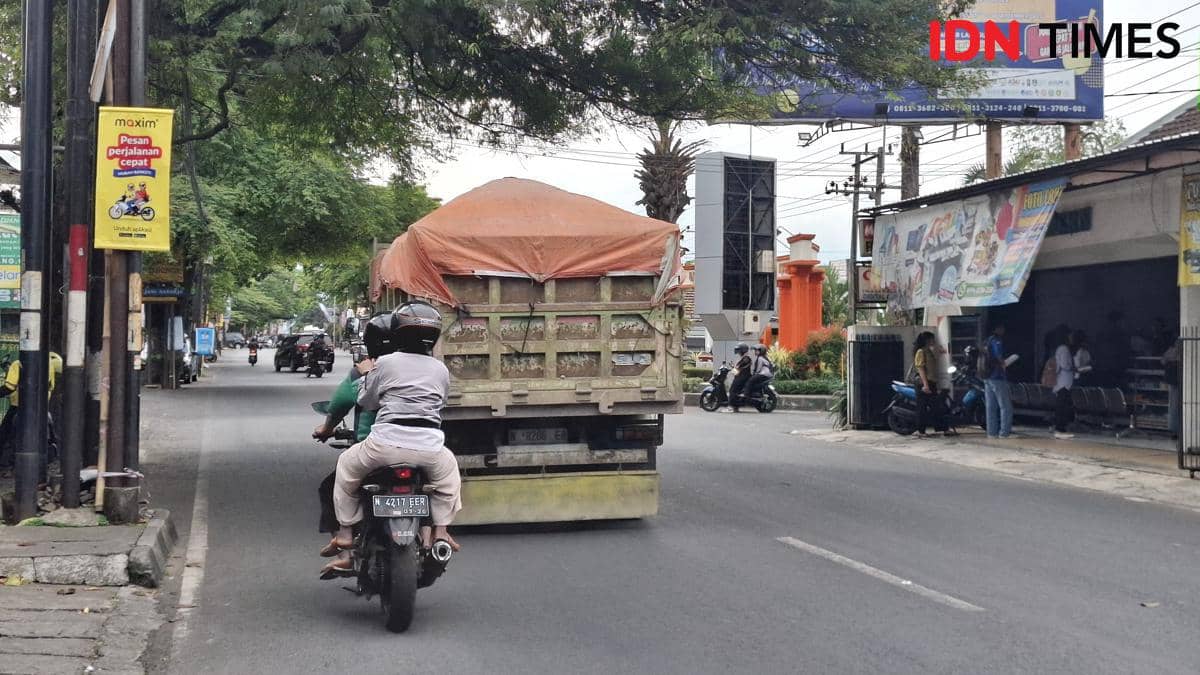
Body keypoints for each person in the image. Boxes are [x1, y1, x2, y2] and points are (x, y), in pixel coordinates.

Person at [321, 302, 462, 578]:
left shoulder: (384, 363)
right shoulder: (440, 369)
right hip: (430, 447)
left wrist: (365, 377)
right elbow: (440, 402)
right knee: (449, 479)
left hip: (384, 445)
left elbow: (366, 400)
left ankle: (346, 534)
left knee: (346, 468)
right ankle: (442, 534)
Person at [313, 313, 394, 539]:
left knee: (335, 483)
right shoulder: (428, 368)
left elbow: (341, 403)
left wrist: (327, 428)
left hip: (374, 448)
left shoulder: (366, 372)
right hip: (424, 446)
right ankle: (436, 534)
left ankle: (344, 540)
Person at [0, 353, 63, 479]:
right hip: (42, 407)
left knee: (8, 436)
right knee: (45, 436)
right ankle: (44, 464)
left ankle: (11, 468)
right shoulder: (49, 363)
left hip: (19, 407)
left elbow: (9, 388)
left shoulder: (18, 364)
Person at [912, 331, 948, 437]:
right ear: (927, 340)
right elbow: (921, 369)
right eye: (932, 339)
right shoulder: (921, 352)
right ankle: (920, 430)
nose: (934, 341)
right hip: (924, 383)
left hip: (931, 382)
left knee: (936, 406)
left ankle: (939, 428)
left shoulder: (928, 351)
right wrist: (925, 385)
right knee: (922, 408)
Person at [983, 323, 1014, 438]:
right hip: (997, 376)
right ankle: (1004, 433)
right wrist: (1004, 364)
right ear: (997, 329)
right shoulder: (997, 341)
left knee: (990, 406)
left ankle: (991, 432)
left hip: (987, 376)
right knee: (1005, 406)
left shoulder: (986, 341)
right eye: (1002, 328)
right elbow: (998, 355)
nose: (1003, 330)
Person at [1052, 331, 1077, 440]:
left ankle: (1060, 428)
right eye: (1070, 336)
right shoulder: (1064, 349)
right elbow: (1065, 365)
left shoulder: (1060, 348)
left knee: (1062, 405)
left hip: (1063, 382)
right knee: (1062, 406)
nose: (1072, 338)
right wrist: (1074, 368)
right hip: (1063, 382)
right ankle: (1060, 429)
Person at [726, 343, 753, 412]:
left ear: (743, 350)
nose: (738, 353)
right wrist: (732, 367)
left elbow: (739, 368)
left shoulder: (746, 358)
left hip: (742, 377)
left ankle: (731, 406)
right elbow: (737, 369)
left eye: (739, 351)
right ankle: (736, 406)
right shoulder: (744, 358)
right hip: (741, 376)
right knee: (734, 390)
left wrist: (734, 368)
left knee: (732, 390)